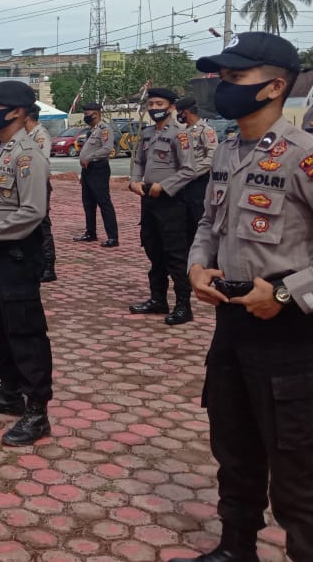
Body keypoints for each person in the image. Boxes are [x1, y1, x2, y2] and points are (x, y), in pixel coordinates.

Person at [172, 32, 313, 562]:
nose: (221, 86)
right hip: (231, 327)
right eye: (222, 76)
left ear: (274, 86)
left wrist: (284, 292)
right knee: (234, 448)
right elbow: (208, 223)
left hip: (290, 336)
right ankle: (236, 549)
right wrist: (196, 267)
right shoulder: (227, 149)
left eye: (235, 77)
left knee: (297, 472)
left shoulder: (303, 155)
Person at [0, 81, 53, 447]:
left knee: (25, 330)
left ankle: (37, 411)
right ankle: (10, 391)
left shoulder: (28, 155)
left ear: (17, 111)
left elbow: (33, 211)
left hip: (17, 251)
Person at [128, 88, 197, 326]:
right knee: (153, 250)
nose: (154, 108)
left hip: (171, 202)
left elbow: (189, 170)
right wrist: (134, 181)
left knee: (175, 255)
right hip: (148, 199)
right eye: (151, 104)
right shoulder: (147, 133)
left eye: (159, 104)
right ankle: (158, 299)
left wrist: (164, 186)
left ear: (171, 107)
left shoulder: (180, 134)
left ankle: (183, 306)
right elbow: (139, 161)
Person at [73, 103, 120, 248]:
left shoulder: (104, 129)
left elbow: (107, 149)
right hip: (88, 170)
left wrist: (89, 157)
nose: (85, 117)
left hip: (98, 168)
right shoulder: (92, 130)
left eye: (87, 114)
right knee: (88, 203)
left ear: (96, 114)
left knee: (104, 203)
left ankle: (113, 237)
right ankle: (90, 233)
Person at [174, 96, 218, 245]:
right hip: (182, 182)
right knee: (184, 221)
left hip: (199, 181)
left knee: (198, 218)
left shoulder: (206, 130)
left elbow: (212, 157)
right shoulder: (182, 131)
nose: (178, 116)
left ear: (186, 112)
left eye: (179, 112)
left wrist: (192, 172)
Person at [24, 105, 57, 282]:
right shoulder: (27, 135)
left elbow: (40, 164)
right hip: (28, 185)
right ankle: (36, 262)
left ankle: (48, 267)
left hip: (38, 185)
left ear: (27, 117)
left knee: (42, 225)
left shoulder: (40, 135)